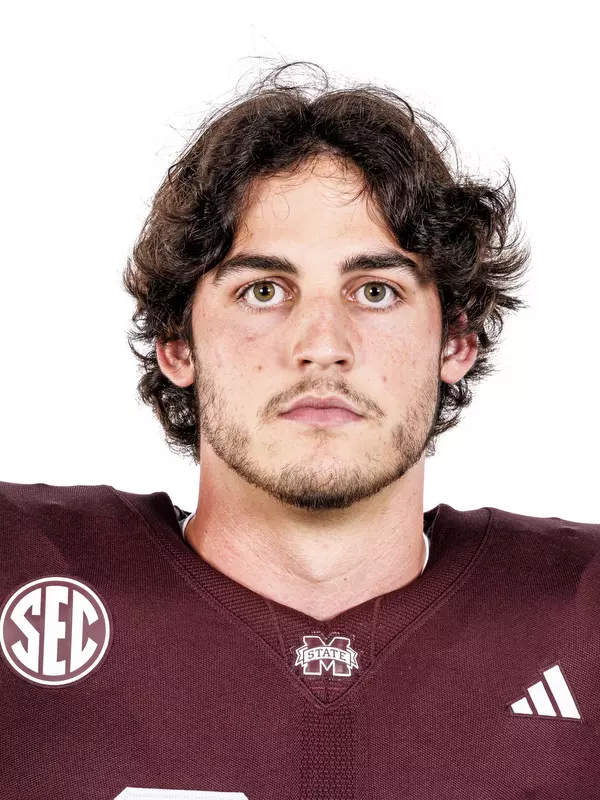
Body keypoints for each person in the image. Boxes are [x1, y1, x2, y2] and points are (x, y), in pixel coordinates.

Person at [1, 61, 598, 800]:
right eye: (263, 290)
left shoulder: (584, 615)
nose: (321, 343)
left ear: (456, 343)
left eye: (375, 290)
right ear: (176, 344)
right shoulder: (20, 567)